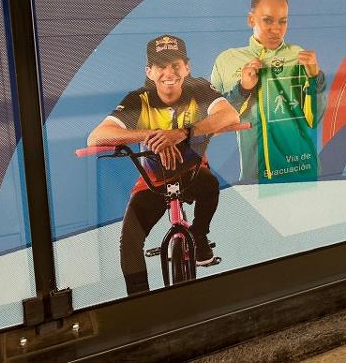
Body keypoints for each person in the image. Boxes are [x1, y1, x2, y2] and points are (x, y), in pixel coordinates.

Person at [88, 34, 240, 295]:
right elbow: (97, 135)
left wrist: (182, 132)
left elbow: (229, 114)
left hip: (191, 174)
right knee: (129, 242)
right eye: (160, 66)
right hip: (154, 181)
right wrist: (151, 135)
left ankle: (200, 235)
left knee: (210, 185)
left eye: (175, 65)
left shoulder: (199, 88)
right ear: (149, 71)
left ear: (187, 68)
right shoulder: (139, 99)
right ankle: (140, 301)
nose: (169, 72)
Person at [211, 0, 326, 182]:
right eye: (267, 20)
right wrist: (242, 89)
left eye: (283, 21)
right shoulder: (227, 60)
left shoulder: (298, 55)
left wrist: (315, 78)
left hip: (302, 171)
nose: (276, 29)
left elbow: (314, 119)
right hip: (254, 179)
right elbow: (211, 124)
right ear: (251, 19)